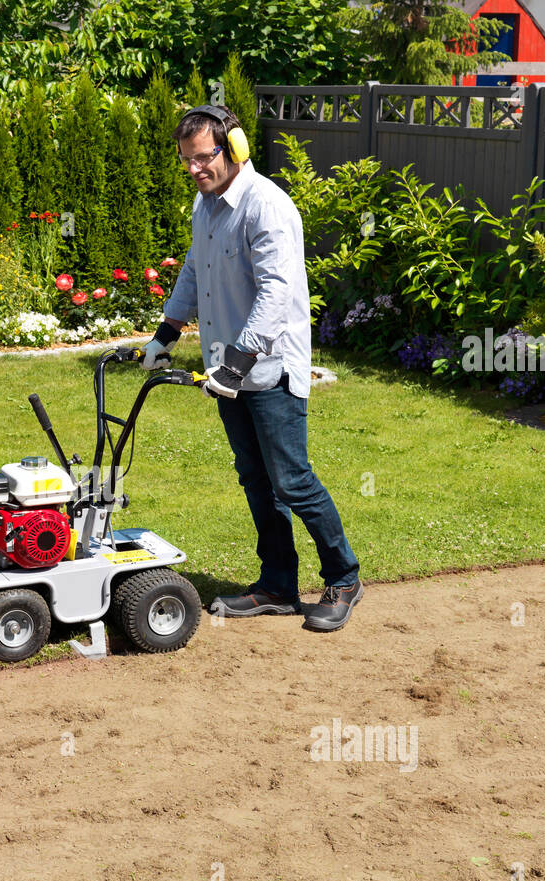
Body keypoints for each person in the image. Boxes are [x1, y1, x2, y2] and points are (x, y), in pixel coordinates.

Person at [138, 103, 362, 632]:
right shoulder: (206, 206)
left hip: (270, 371)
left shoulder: (267, 207)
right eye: (187, 161)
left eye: (203, 158)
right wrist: (166, 334)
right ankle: (277, 586)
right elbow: (195, 268)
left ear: (234, 148)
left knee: (292, 480)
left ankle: (345, 578)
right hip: (228, 372)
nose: (195, 169)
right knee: (256, 481)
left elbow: (277, 293)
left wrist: (239, 362)